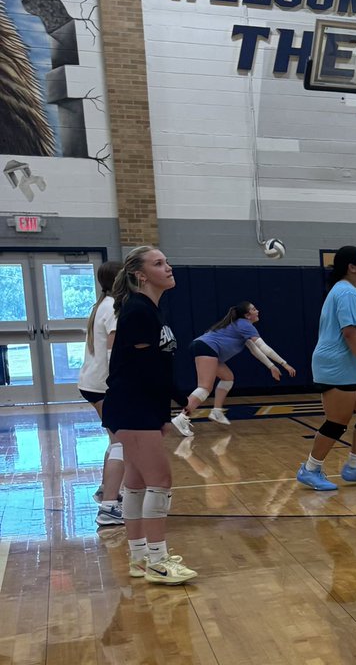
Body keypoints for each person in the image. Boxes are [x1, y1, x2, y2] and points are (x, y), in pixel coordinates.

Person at [102, 247, 197, 584]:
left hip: (141, 407)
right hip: (132, 407)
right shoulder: (139, 311)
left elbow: (151, 367)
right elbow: (146, 370)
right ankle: (158, 560)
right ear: (140, 275)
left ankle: (141, 558)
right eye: (159, 264)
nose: (168, 267)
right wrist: (181, 398)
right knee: (161, 481)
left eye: (167, 261)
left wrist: (164, 409)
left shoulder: (148, 310)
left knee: (138, 483)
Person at [296, 246, 356, 490]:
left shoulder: (349, 291)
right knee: (337, 422)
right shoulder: (346, 293)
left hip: (352, 363)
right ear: (352, 267)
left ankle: (355, 466)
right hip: (336, 364)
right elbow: (349, 332)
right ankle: (310, 468)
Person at [171, 301, 295, 436]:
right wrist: (284, 364)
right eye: (254, 309)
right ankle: (182, 418)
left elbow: (255, 350)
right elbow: (263, 347)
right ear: (248, 315)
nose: (257, 311)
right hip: (206, 347)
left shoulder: (241, 326)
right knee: (205, 387)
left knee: (228, 377)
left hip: (204, 347)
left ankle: (217, 411)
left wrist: (271, 366)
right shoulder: (245, 324)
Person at [78, 259, 124, 527]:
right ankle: (108, 508)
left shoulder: (101, 305)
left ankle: (106, 489)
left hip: (93, 383)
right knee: (122, 443)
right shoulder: (114, 309)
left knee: (115, 440)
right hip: (103, 385)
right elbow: (112, 354)